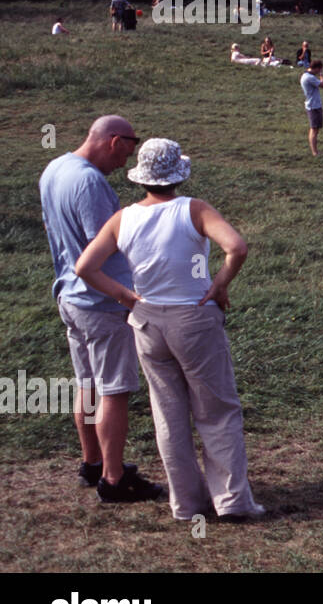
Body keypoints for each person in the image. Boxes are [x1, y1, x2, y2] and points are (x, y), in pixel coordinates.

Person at [74, 138, 264, 523]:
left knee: (169, 415)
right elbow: (237, 247)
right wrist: (220, 284)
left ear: (142, 178)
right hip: (194, 318)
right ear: (178, 175)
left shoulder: (123, 218)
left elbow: (84, 268)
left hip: (147, 321)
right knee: (217, 411)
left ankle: (186, 504)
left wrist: (127, 298)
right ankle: (231, 501)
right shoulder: (194, 209)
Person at [39, 116, 166, 503]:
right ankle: (113, 480)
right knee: (115, 390)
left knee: (87, 384)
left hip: (71, 296)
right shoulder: (90, 182)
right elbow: (104, 243)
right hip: (102, 300)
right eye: (127, 150)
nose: (125, 163)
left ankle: (92, 462)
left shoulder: (55, 168)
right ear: (114, 140)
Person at [301, 60, 323, 156]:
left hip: (313, 104)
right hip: (313, 106)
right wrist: (321, 76)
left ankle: (315, 151)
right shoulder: (310, 78)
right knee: (314, 129)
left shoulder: (305, 75)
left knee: (315, 129)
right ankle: (315, 152)